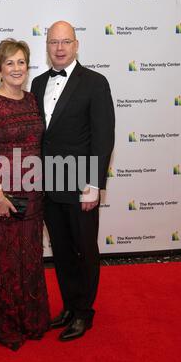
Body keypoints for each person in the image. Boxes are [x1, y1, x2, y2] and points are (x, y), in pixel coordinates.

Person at [31, 21, 115, 341]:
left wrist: (94, 185)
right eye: (54, 42)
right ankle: (68, 306)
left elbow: (103, 136)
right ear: (47, 46)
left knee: (84, 250)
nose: (60, 48)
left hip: (81, 186)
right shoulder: (38, 83)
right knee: (62, 251)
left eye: (66, 42)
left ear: (76, 44)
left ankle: (84, 313)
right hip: (49, 186)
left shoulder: (95, 82)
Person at [0, 39, 50, 351]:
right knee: (5, 261)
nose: (17, 68)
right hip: (3, 196)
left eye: (21, 62)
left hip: (33, 196)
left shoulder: (32, 100)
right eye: (10, 63)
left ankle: (31, 319)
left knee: (30, 259)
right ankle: (7, 325)